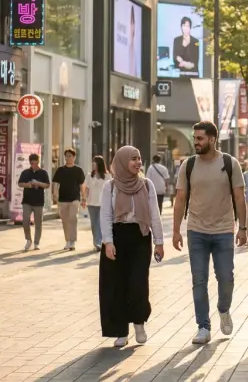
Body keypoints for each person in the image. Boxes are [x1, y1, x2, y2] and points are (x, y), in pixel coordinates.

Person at [172, 121, 247, 346]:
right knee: (199, 280)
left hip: (224, 230)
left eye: (200, 138)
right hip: (196, 230)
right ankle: (203, 326)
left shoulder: (229, 163)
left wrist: (243, 228)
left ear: (213, 139)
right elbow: (180, 199)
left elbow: (240, 198)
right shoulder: (189, 165)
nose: (196, 142)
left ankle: (223, 310)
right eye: (195, 138)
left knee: (226, 278)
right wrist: (175, 230)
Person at [99, 146, 164, 348]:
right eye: (132, 159)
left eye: (139, 158)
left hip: (140, 236)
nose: (137, 162)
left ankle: (138, 322)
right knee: (117, 285)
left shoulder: (146, 184)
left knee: (138, 283)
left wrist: (159, 242)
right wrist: (108, 242)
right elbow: (105, 216)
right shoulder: (110, 187)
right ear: (121, 161)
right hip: (117, 238)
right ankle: (121, 330)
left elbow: (154, 214)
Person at [52, 148, 86, 251]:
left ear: (74, 157)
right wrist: (55, 194)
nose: (68, 158)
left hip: (74, 198)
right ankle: (67, 240)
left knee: (73, 219)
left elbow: (82, 184)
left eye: (70, 156)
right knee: (65, 221)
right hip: (63, 199)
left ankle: (72, 241)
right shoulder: (60, 170)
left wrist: (84, 197)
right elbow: (56, 183)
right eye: (66, 156)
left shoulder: (78, 170)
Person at [18, 153, 50, 251]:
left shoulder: (43, 173)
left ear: (38, 162)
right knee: (25, 221)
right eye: (32, 163)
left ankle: (36, 242)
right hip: (27, 201)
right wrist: (29, 185)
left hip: (39, 202)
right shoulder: (25, 173)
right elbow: (20, 183)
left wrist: (38, 183)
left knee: (38, 223)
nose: (34, 165)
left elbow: (47, 185)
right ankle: (28, 240)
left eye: (35, 163)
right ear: (30, 162)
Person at [85, 156, 112, 251]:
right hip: (91, 202)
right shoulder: (89, 175)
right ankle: (96, 242)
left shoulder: (107, 176)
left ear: (99, 164)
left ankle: (101, 241)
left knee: (101, 223)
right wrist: (84, 199)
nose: (93, 165)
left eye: (94, 163)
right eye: (92, 163)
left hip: (102, 203)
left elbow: (110, 189)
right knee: (94, 223)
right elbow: (87, 188)